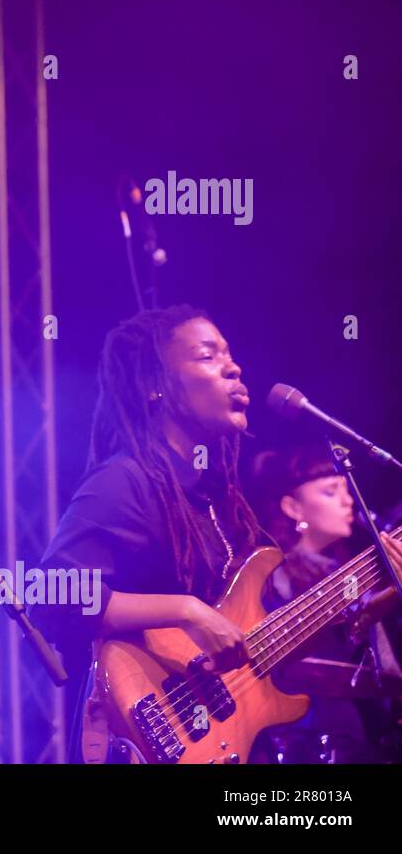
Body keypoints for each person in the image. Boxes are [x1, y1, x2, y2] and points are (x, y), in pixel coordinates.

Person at [29, 305, 268, 763]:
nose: (233, 367)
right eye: (207, 356)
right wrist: (186, 611)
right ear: (155, 384)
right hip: (139, 738)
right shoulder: (124, 482)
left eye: (230, 355)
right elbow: (50, 594)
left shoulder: (218, 496)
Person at [247, 444, 402, 762]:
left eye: (347, 490)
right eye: (331, 492)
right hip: (308, 732)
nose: (348, 501)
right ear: (293, 507)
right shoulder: (271, 579)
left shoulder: (343, 569)